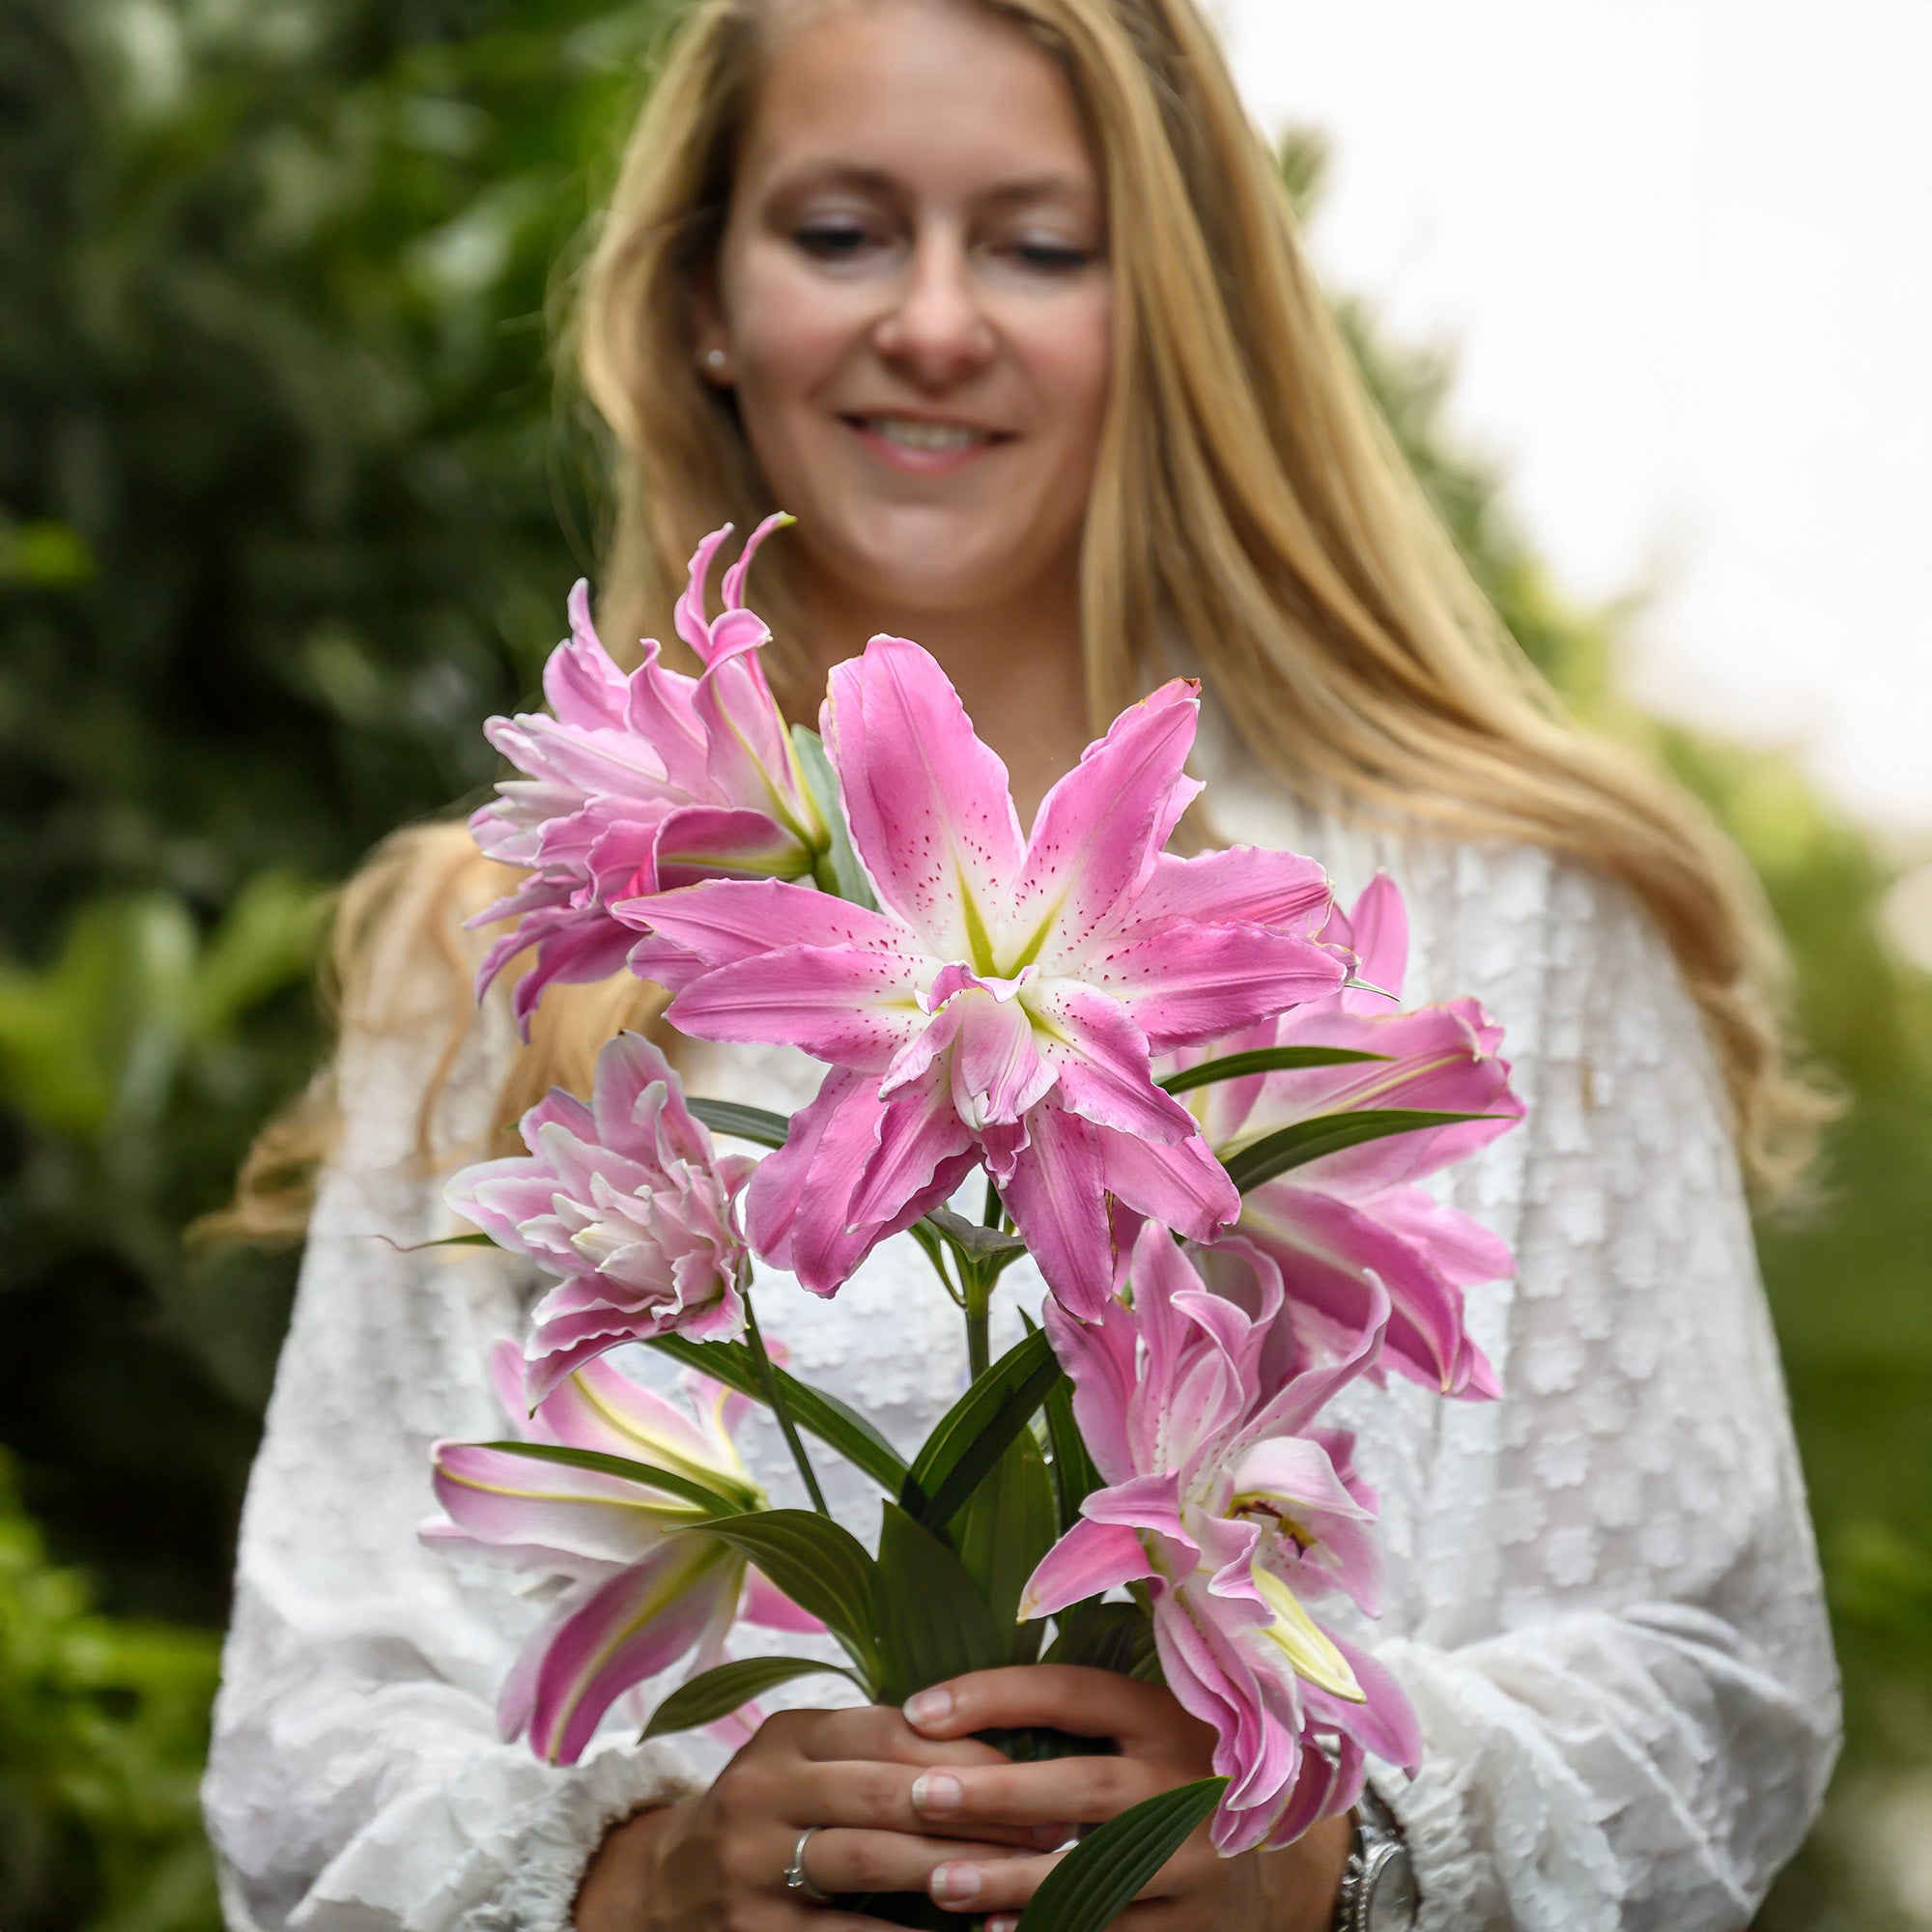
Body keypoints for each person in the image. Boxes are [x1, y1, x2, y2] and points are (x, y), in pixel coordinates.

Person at [199, 0, 1841, 1927]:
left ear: (1172, 309)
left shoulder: (1531, 920)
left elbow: (1718, 1672)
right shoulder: (494, 954)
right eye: (839, 230)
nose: (933, 320)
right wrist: (649, 1878)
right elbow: (307, 1731)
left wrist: (1332, 1856)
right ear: (706, 301)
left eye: (1039, 244)